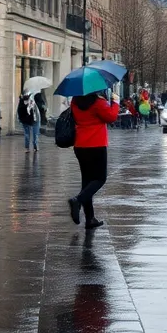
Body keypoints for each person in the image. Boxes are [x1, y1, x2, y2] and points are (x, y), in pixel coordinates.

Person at [67, 89, 120, 230]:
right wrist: (115, 102)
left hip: (80, 145)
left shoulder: (74, 101)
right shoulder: (99, 103)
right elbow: (111, 117)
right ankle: (77, 200)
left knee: (87, 181)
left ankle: (90, 218)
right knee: (100, 178)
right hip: (97, 144)